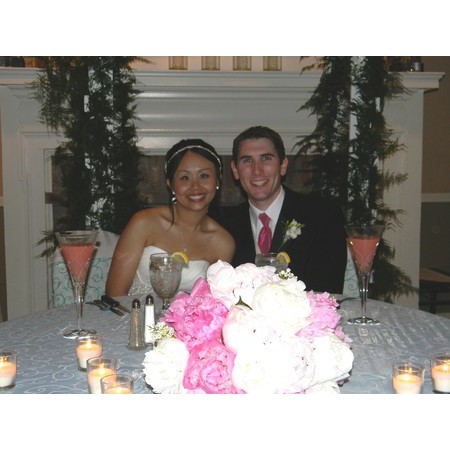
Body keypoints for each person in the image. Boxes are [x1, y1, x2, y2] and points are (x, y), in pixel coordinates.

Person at [218, 125, 347, 294]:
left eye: (266, 159)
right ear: (235, 170)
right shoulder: (225, 226)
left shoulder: (322, 215)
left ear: (283, 165)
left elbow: (327, 290)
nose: (257, 170)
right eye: (247, 160)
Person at [105, 138, 235, 297]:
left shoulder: (223, 243)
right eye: (185, 178)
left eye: (204, 176)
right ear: (170, 184)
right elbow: (115, 293)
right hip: (131, 312)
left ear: (218, 180)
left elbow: (214, 302)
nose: (195, 186)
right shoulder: (144, 223)